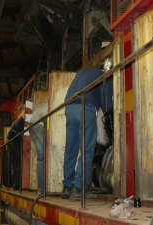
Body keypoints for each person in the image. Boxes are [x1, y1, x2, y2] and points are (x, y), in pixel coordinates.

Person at [62, 67, 113, 199]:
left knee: (71, 149)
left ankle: (67, 187)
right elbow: (107, 103)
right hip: (86, 107)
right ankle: (78, 188)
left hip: (69, 107)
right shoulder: (105, 76)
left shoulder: (83, 72)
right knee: (87, 150)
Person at [29, 101, 48, 196]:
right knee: (41, 156)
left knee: (42, 156)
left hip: (35, 125)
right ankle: (41, 190)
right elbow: (44, 116)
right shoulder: (51, 102)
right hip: (37, 125)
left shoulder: (46, 103)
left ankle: (42, 189)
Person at [7, 116, 25, 190]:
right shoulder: (19, 123)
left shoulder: (18, 122)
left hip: (14, 145)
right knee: (17, 165)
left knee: (16, 165)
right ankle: (16, 184)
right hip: (14, 145)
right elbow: (10, 134)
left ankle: (17, 183)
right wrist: (20, 135)